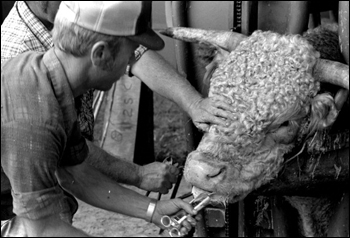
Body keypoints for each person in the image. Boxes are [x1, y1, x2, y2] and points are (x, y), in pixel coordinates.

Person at [1, 0, 236, 224]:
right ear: (100, 54)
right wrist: (138, 175)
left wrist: (152, 210)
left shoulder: (53, 83)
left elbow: (75, 172)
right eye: (129, 54)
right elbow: (39, 229)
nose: (130, 65)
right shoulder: (34, 109)